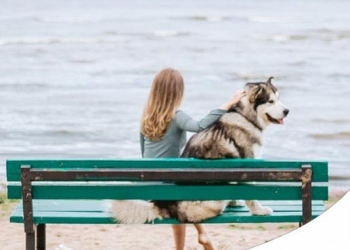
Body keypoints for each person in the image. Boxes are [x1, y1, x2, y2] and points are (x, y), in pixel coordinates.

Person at [139, 68, 245, 250]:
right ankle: (202, 234)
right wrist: (228, 104)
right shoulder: (176, 115)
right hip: (171, 190)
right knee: (184, 187)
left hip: (150, 189)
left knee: (178, 190)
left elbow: (143, 153)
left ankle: (191, 241)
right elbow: (200, 126)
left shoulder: (146, 117)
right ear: (178, 92)